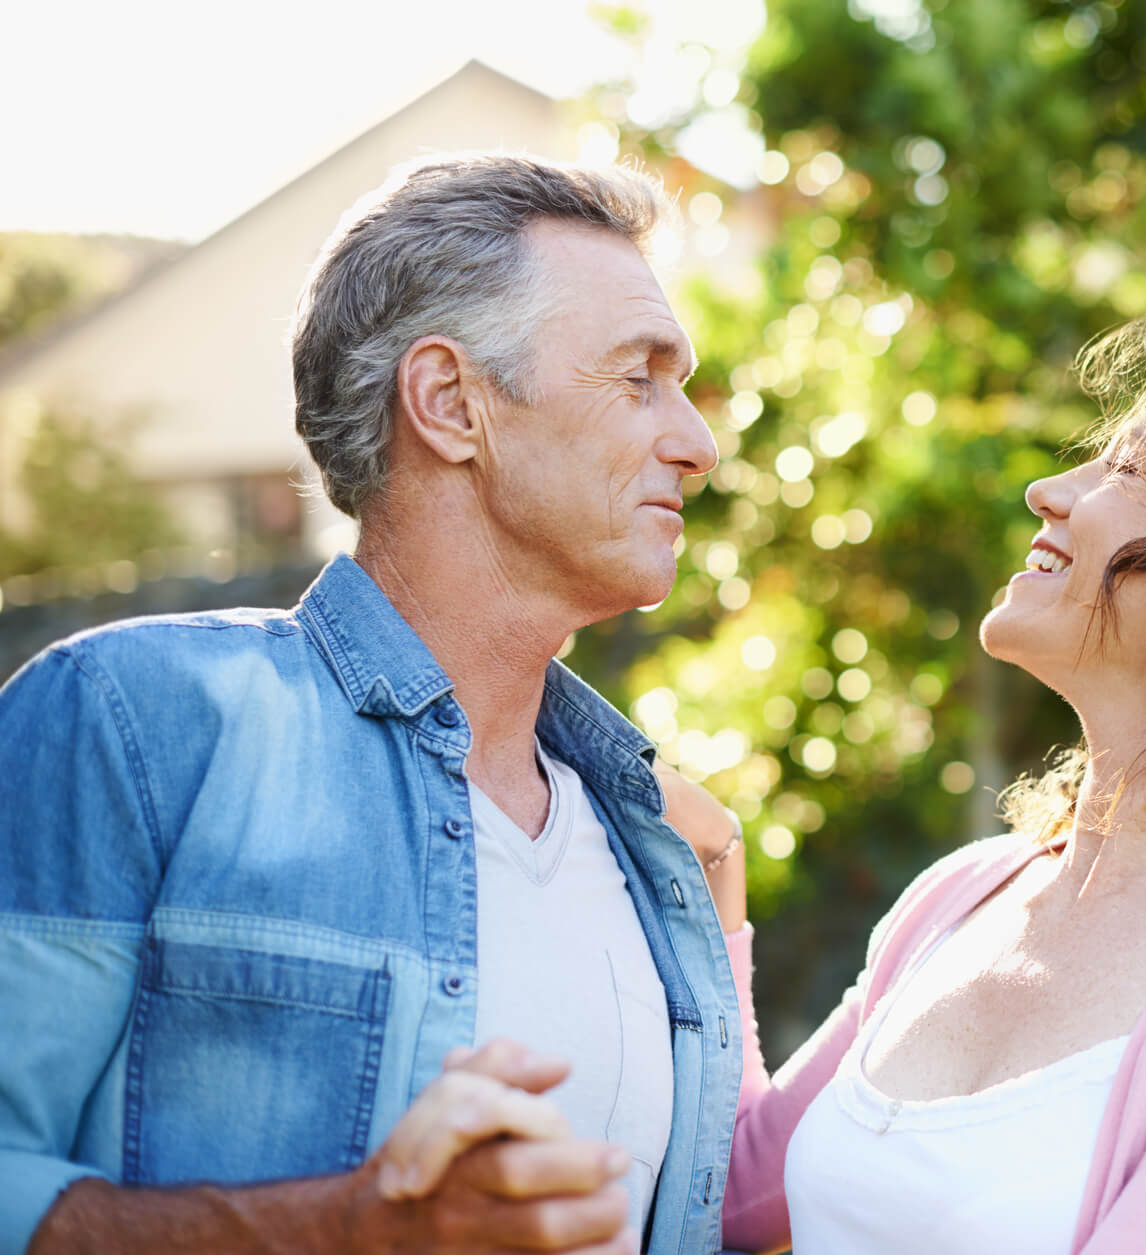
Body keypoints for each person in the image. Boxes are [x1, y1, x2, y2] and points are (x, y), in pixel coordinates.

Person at [383, 290, 1146, 1252]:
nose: (1051, 490)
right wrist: (714, 886)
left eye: (1127, 471)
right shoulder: (965, 897)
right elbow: (743, 1194)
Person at [0, 154, 748, 1255]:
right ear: (451, 404)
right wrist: (349, 1230)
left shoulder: (657, 847)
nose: (697, 444)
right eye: (636, 379)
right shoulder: (131, 722)